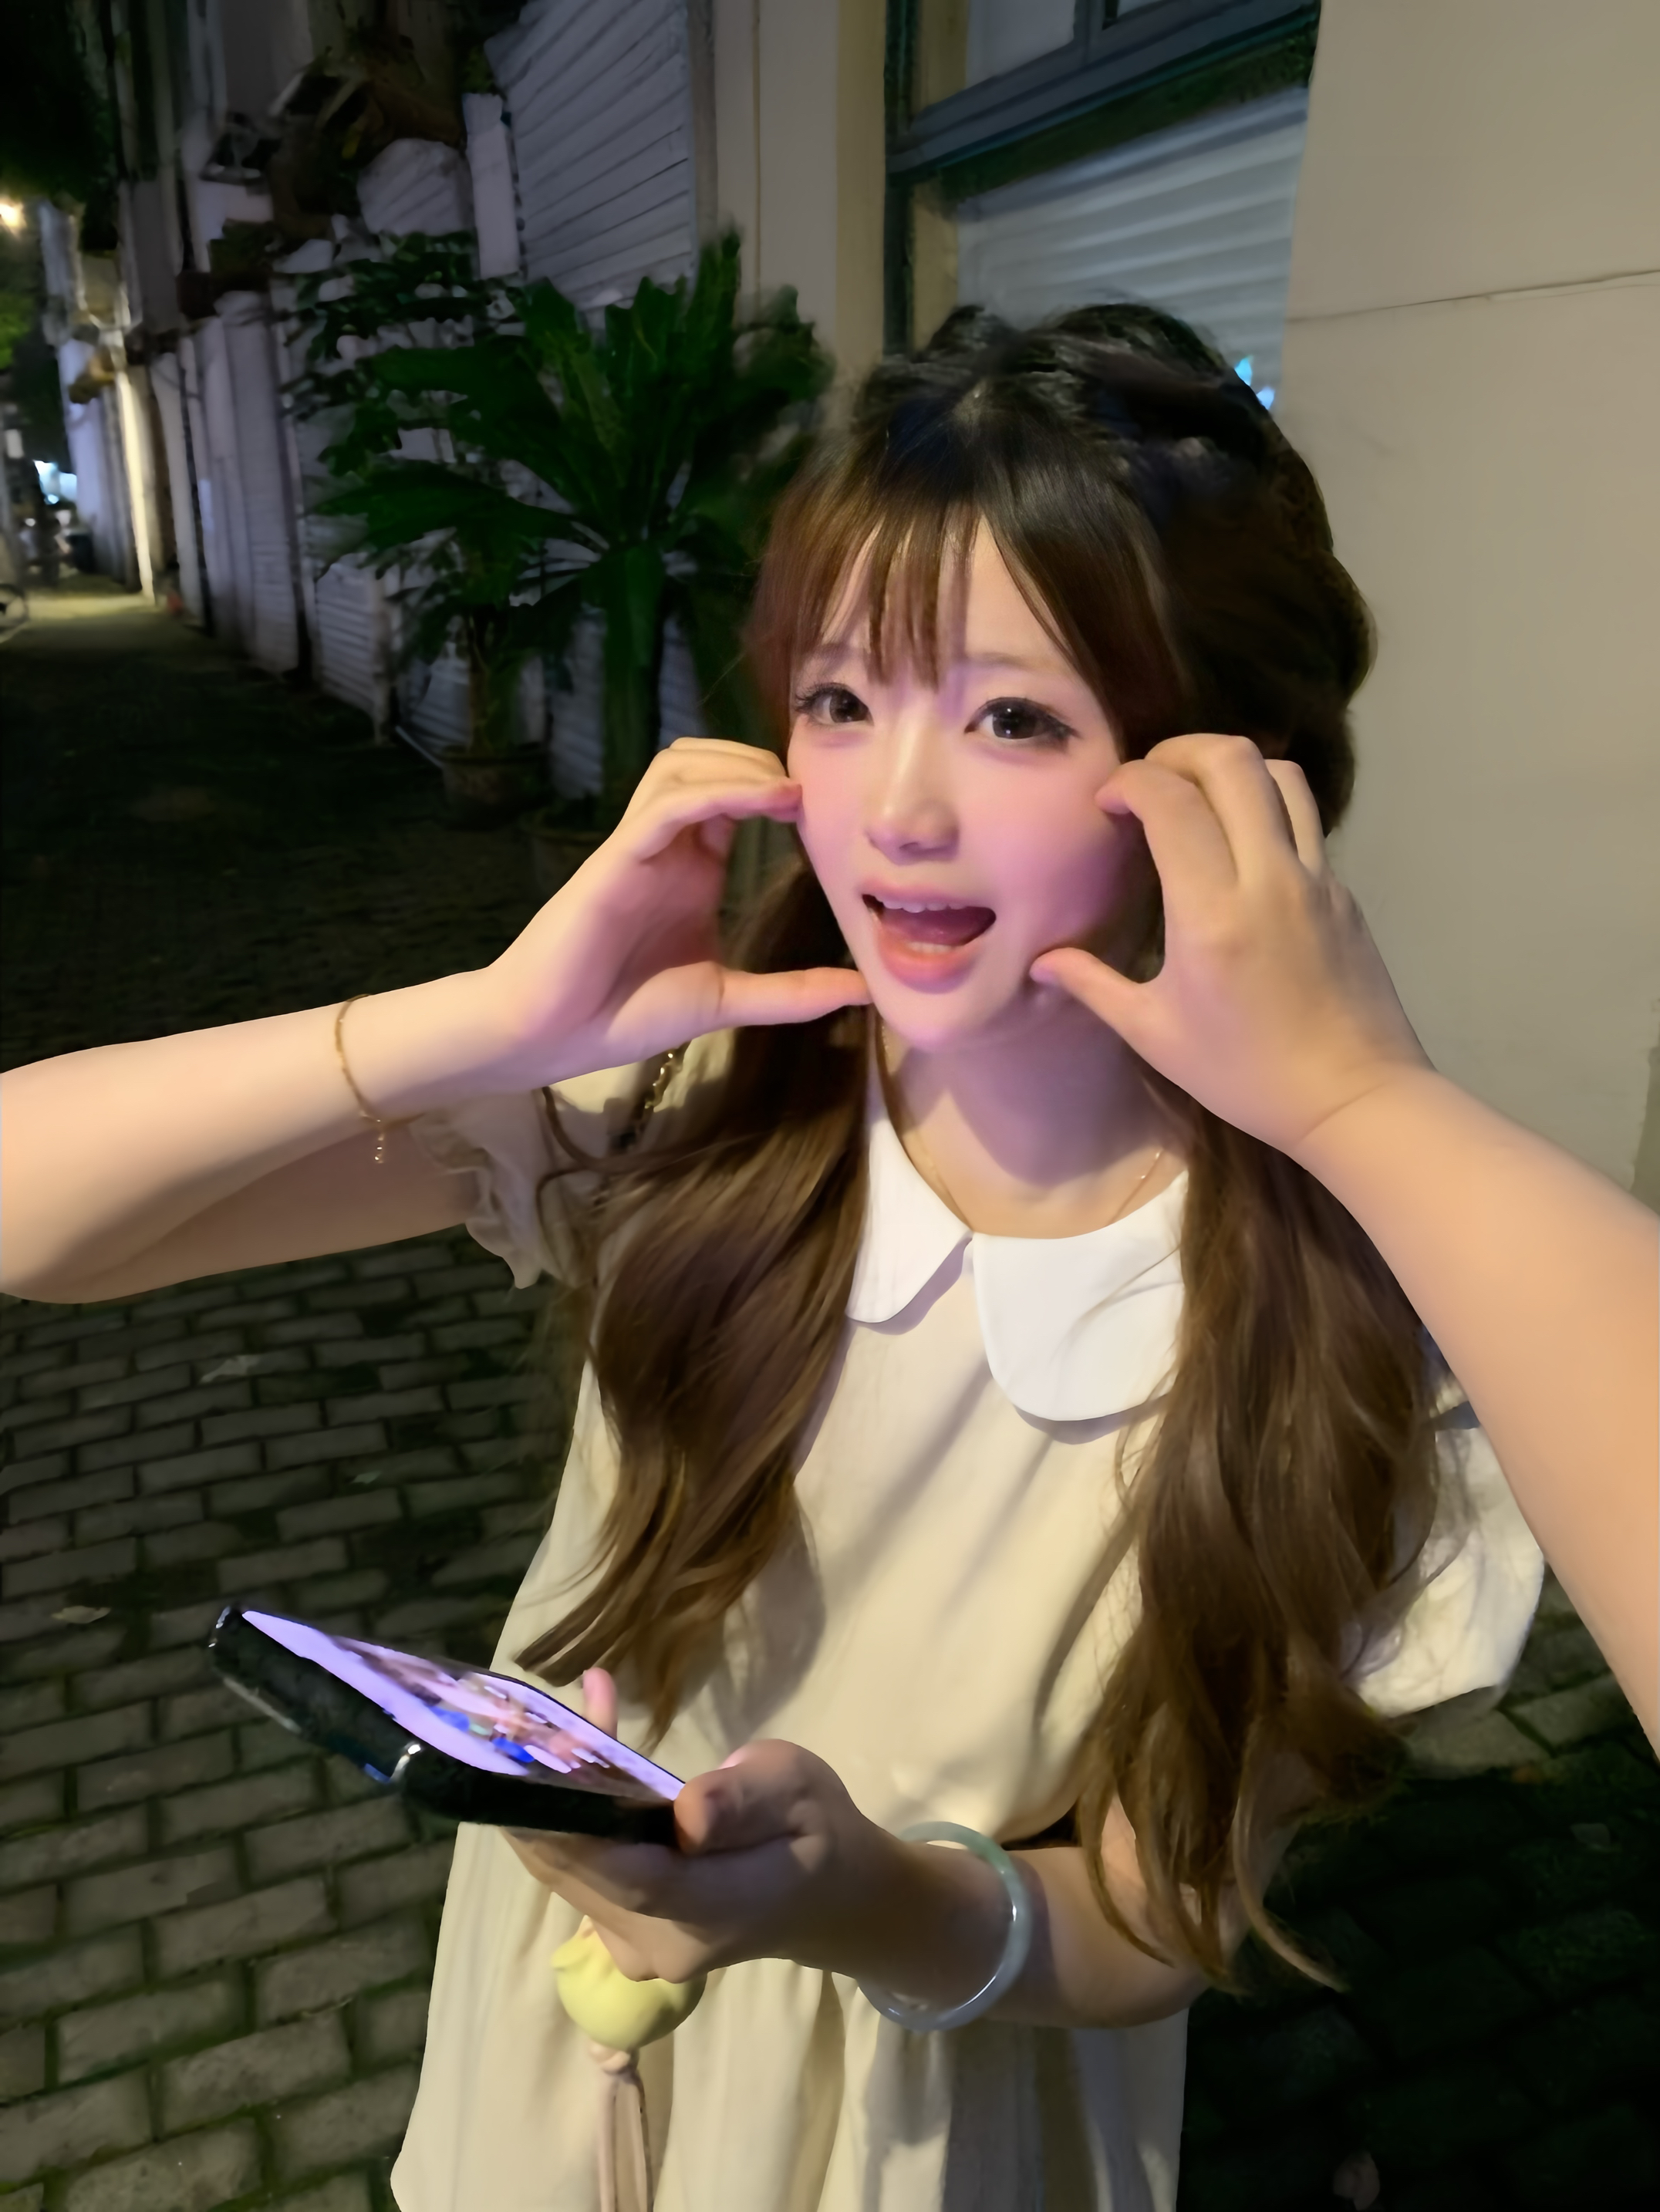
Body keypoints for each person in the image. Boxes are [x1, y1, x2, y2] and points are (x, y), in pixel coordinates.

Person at [1, 305, 1653, 2211]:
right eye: (841, 698)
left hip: (934, 2122)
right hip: (542, 2062)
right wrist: (488, 1021)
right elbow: (39, 1219)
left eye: (1015, 716)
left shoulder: (1326, 1314)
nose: (895, 809)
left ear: (1222, 778)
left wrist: (852, 1896)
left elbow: (1161, 1917)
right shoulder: (693, 1100)